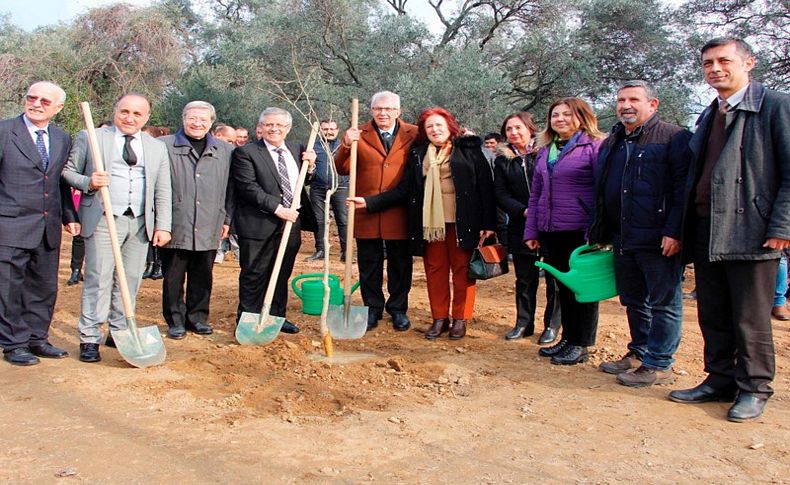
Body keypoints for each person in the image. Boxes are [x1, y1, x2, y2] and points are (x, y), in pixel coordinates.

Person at [669, 38, 790, 422]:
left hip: (753, 229)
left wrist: (782, 225)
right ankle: (720, 379)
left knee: (750, 316)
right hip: (707, 225)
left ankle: (755, 387)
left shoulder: (776, 105)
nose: (715, 68)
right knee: (714, 311)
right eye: (708, 63)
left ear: (748, 63)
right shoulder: (711, 113)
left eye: (724, 60)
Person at [349, 107, 496, 339]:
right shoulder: (418, 155)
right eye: (429, 127)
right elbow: (405, 190)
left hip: (463, 223)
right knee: (435, 272)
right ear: (424, 132)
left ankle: (460, 319)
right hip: (430, 225)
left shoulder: (469, 149)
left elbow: (486, 188)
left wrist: (489, 223)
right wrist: (369, 202)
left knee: (462, 272)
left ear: (450, 126)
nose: (435, 130)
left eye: (439, 125)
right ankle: (439, 318)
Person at [588, 80, 692, 387]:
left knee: (664, 301)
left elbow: (682, 190)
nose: (625, 105)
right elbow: (604, 190)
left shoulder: (675, 138)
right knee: (633, 299)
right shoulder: (613, 141)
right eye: (621, 100)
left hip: (660, 238)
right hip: (623, 236)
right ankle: (640, 352)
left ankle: (659, 363)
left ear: (653, 104)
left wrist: (675, 231)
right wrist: (601, 230)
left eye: (634, 99)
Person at [62, 93, 172, 363]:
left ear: (146, 117)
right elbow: (67, 172)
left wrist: (163, 226)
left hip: (139, 222)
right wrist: (89, 181)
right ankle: (90, 336)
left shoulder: (156, 147)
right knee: (99, 277)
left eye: (137, 114)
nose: (130, 118)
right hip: (102, 218)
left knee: (131, 278)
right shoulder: (91, 136)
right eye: (125, 111)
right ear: (115, 111)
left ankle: (119, 329)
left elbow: (163, 189)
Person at [0, 81, 79, 366]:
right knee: (9, 288)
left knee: (43, 287)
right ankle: (14, 343)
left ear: (58, 108)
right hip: (10, 225)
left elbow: (59, 182)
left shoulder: (61, 138)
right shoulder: (5, 132)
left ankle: (37, 338)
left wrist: (70, 216)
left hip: (48, 226)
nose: (36, 103)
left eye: (45, 101)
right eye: (31, 97)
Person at [524, 97, 605, 365]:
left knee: (583, 289)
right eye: (555, 115)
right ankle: (568, 338)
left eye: (566, 115)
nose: (559, 119)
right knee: (563, 287)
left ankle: (581, 343)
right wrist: (532, 230)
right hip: (552, 229)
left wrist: (597, 230)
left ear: (582, 117)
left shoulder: (593, 147)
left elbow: (601, 191)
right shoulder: (546, 149)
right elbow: (536, 193)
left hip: (580, 231)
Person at [335, 91, 418, 332]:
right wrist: (346, 145)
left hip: (399, 210)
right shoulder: (358, 134)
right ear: (371, 111)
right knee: (369, 263)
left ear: (398, 111)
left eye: (389, 109)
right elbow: (342, 168)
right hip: (365, 209)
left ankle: (398, 309)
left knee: (400, 265)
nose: (383, 113)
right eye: (378, 109)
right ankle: (373, 307)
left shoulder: (413, 134)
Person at [231, 107, 317, 334]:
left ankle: (276, 317)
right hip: (258, 223)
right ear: (260, 128)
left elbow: (304, 180)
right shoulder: (246, 153)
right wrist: (278, 209)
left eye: (279, 125)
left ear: (287, 128)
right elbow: (248, 188)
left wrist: (312, 166)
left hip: (291, 223)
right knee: (254, 272)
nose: (273, 129)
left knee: (281, 271)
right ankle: (248, 319)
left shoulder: (296, 149)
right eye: (268, 124)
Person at [159, 101, 233, 339]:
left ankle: (197, 318)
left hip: (212, 220)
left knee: (203, 274)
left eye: (203, 119)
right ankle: (175, 320)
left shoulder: (225, 150)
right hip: (175, 221)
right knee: (173, 275)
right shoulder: (163, 146)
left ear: (211, 123)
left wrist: (227, 219)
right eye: (192, 118)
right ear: (183, 118)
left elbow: (232, 189)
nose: (197, 123)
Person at [494, 112, 562, 344]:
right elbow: (501, 194)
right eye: (509, 130)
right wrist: (523, 211)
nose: (514, 133)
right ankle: (524, 322)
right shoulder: (503, 159)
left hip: (551, 224)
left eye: (518, 128)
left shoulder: (547, 152)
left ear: (530, 128)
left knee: (554, 278)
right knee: (524, 278)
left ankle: (552, 325)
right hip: (521, 225)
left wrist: (541, 210)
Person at [306, 119, 348, 262]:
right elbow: (308, 170)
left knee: (343, 220)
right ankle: (321, 250)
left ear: (337, 130)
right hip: (318, 188)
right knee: (318, 220)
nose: (328, 132)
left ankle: (346, 252)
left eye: (332, 129)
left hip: (341, 187)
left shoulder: (344, 146)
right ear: (320, 131)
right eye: (325, 129)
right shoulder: (313, 147)